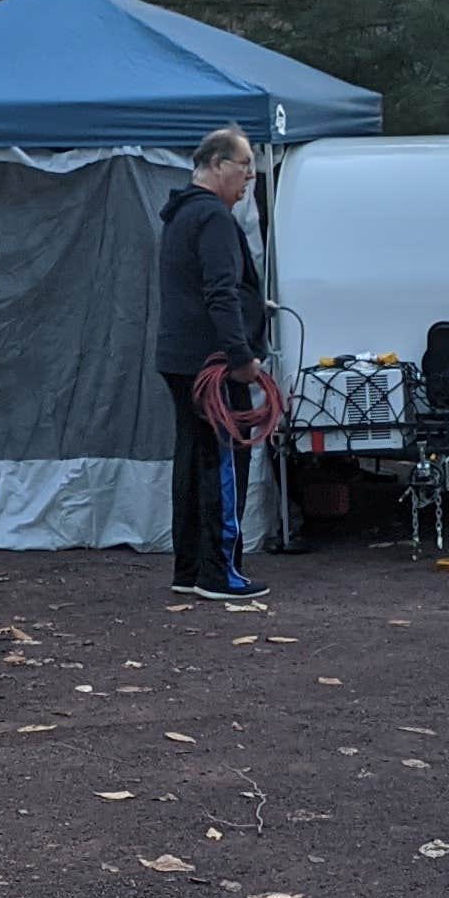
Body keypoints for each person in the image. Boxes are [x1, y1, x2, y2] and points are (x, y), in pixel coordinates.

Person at [154, 125, 269, 602]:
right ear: (219, 165)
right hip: (214, 366)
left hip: (181, 359)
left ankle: (189, 568)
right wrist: (241, 357)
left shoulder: (180, 215)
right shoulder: (215, 219)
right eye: (245, 168)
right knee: (223, 461)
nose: (249, 179)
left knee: (192, 459)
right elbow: (220, 293)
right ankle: (220, 573)